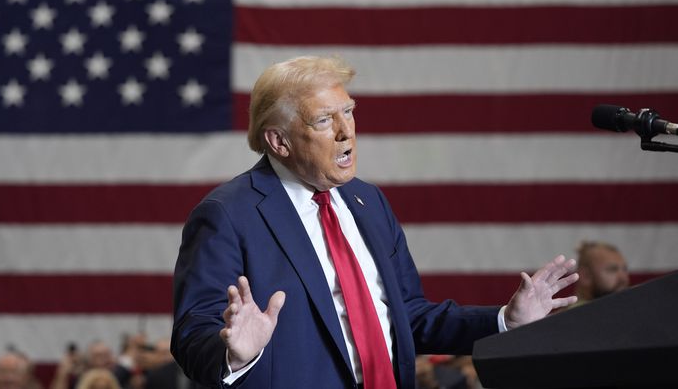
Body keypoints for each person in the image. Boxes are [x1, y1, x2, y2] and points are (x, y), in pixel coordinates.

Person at [171, 56, 579, 388]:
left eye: (348, 112)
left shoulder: (367, 201)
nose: (347, 132)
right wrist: (234, 353)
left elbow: (410, 317)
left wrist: (506, 321)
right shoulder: (228, 214)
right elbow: (193, 335)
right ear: (279, 141)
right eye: (324, 120)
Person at [572, 240, 630, 306]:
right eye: (612, 269)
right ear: (585, 276)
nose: (624, 278)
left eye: (624, 269)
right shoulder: (570, 316)